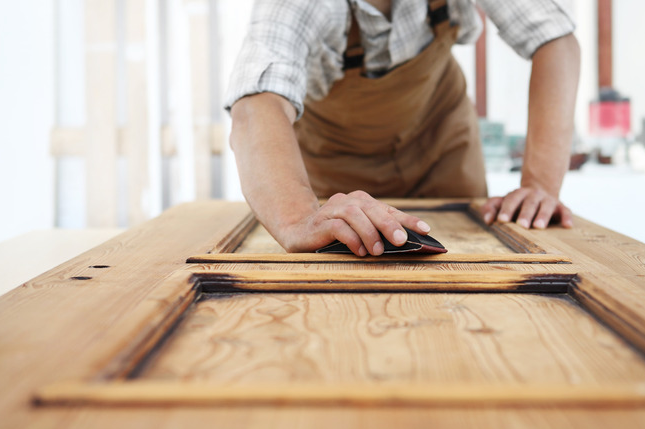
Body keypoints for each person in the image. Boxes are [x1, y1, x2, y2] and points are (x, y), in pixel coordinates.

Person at [226, 0, 580, 256]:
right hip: (335, 163)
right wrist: (296, 219)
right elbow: (257, 104)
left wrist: (539, 186)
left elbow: (555, 41)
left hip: (442, 143)